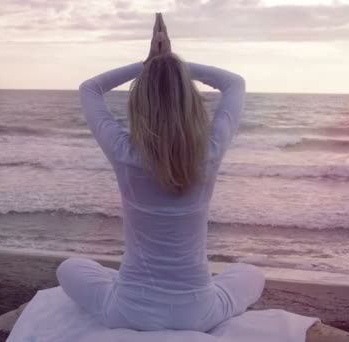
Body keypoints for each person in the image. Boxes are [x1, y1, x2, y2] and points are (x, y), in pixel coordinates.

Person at [56, 13, 265, 332]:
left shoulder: (125, 153)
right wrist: (172, 65)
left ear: (138, 103)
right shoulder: (208, 151)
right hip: (199, 312)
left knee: (70, 267)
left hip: (129, 311)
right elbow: (234, 83)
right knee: (252, 274)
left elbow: (90, 88)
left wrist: (151, 64)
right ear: (192, 101)